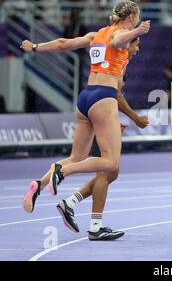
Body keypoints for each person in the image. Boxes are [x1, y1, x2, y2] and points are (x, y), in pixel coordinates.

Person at [21, 0, 151, 239]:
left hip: (86, 98)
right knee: (110, 164)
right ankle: (63, 172)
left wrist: (36, 46)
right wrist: (138, 31)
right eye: (137, 17)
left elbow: (63, 44)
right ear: (131, 16)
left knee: (76, 156)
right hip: (103, 98)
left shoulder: (95, 34)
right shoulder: (121, 33)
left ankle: (39, 184)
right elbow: (117, 41)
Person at [56, 37, 149, 241]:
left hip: (104, 115)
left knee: (111, 173)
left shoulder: (120, 61)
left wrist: (115, 118)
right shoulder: (118, 59)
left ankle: (71, 202)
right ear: (127, 44)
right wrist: (136, 118)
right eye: (136, 44)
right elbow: (115, 95)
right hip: (100, 117)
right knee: (105, 173)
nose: (138, 49)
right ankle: (95, 227)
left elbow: (111, 95)